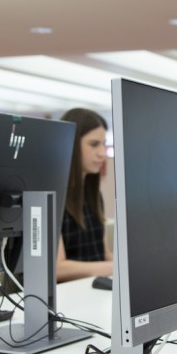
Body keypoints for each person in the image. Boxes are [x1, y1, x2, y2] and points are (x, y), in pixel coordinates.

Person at [56, 108, 113, 282]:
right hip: (68, 297)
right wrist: (112, 267)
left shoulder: (93, 195)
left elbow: (102, 252)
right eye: (94, 144)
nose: (102, 153)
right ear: (71, 143)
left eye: (104, 144)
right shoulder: (50, 197)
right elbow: (56, 268)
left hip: (92, 289)